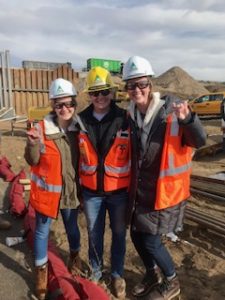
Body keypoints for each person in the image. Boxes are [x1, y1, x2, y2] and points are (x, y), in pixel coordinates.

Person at [122, 56, 206, 300]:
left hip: (164, 190)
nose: (137, 90)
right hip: (140, 189)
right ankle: (152, 274)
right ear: (126, 88)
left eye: (142, 84)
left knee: (150, 240)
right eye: (131, 85)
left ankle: (172, 281)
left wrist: (188, 119)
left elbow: (198, 141)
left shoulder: (170, 110)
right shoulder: (130, 116)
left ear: (150, 84)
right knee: (136, 234)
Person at [24, 78, 81, 300]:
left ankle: (74, 258)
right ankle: (40, 275)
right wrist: (32, 144)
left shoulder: (80, 129)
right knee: (41, 232)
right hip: (47, 195)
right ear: (53, 106)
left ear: (75, 104)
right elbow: (32, 160)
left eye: (69, 104)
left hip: (70, 193)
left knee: (72, 228)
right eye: (59, 105)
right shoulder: (40, 129)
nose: (65, 109)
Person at [77, 66, 130, 299]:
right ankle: (96, 271)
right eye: (95, 93)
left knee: (118, 234)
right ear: (89, 95)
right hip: (91, 193)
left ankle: (117, 274)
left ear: (112, 92)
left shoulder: (124, 119)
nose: (100, 97)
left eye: (104, 92)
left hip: (118, 192)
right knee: (94, 233)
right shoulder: (80, 120)